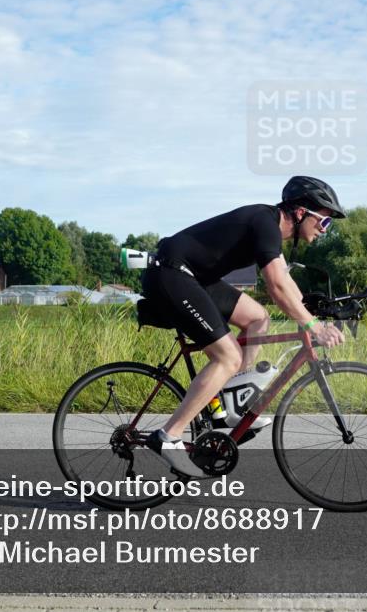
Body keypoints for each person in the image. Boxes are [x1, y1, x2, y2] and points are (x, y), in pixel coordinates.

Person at [141, 176, 347, 478]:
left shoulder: (272, 230)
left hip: (196, 278)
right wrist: (313, 326)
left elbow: (286, 281)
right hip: (171, 274)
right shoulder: (266, 222)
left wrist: (312, 308)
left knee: (257, 319)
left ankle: (228, 405)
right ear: (302, 212)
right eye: (325, 222)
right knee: (228, 357)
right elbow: (276, 285)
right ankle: (169, 436)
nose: (324, 230)